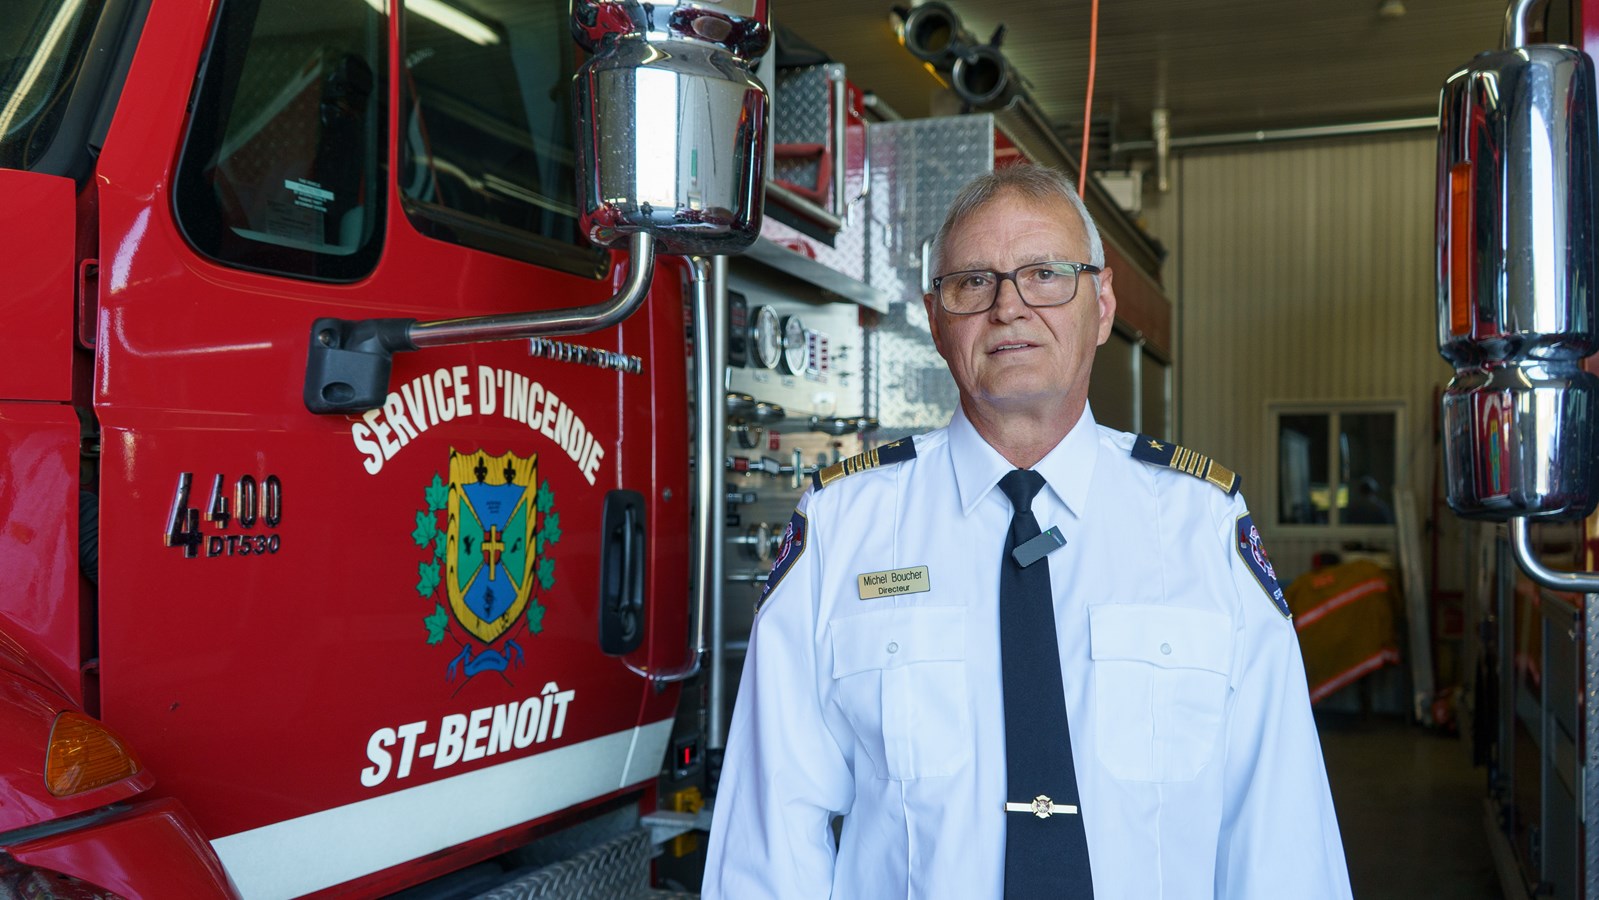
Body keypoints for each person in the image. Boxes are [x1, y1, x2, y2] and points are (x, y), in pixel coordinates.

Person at [702, 164, 1351, 899]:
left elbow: (1279, 834)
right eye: (972, 282)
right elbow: (770, 839)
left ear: (1102, 306)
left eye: (1046, 274)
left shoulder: (1202, 528)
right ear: (935, 318)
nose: (1008, 307)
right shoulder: (844, 528)